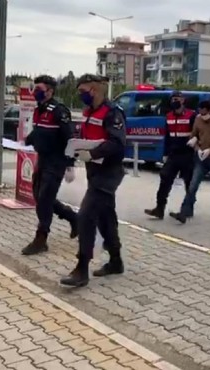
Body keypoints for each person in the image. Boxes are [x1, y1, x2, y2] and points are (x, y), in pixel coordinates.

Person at [60, 74, 126, 288]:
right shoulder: (89, 113)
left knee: (86, 216)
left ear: (95, 91)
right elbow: (84, 139)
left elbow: (117, 143)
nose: (80, 96)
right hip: (94, 172)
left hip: (109, 173)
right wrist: (75, 154)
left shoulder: (113, 113)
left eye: (83, 92)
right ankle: (116, 261)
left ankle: (82, 268)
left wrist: (95, 153)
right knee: (106, 217)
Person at [22, 75, 78, 256]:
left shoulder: (59, 111)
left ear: (50, 91)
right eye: (34, 88)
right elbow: (38, 132)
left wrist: (70, 165)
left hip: (56, 162)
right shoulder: (39, 110)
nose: (35, 92)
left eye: (39, 89)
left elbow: (70, 138)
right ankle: (72, 217)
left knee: (45, 199)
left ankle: (41, 238)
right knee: (40, 198)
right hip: (42, 160)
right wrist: (27, 141)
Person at [169, 100, 210, 224]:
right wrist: (196, 148)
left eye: (205, 114)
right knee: (192, 185)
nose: (203, 117)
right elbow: (194, 135)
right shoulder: (198, 119)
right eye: (201, 114)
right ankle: (183, 213)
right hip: (201, 158)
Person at [145, 91, 196, 219]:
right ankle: (159, 208)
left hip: (187, 154)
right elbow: (167, 137)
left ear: (183, 100)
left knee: (189, 183)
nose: (175, 101)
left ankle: (187, 210)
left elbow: (197, 132)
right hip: (173, 154)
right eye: (173, 99)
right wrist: (165, 154)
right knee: (164, 179)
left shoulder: (191, 115)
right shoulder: (168, 116)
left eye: (177, 99)